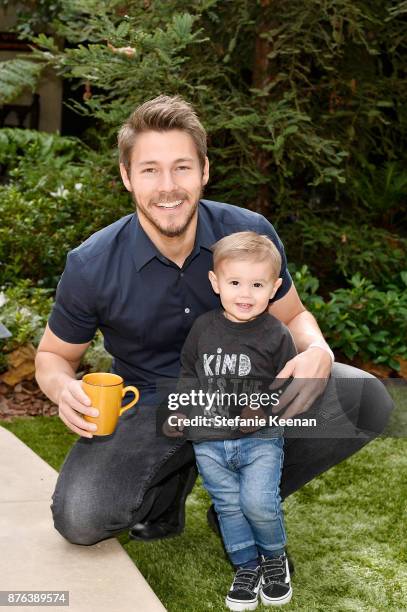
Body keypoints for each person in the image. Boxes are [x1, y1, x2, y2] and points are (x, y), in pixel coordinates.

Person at [35, 95, 393, 552]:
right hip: (151, 406)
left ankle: (244, 504)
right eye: (150, 170)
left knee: (364, 400)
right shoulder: (91, 264)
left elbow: (296, 315)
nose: (168, 187)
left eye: (182, 167)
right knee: (80, 520)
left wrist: (318, 351)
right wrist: (62, 388)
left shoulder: (249, 233)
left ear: (204, 170)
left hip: (250, 392)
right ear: (127, 177)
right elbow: (53, 356)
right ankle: (167, 486)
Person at [166, 231, 297, 609]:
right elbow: (189, 372)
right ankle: (245, 565)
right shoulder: (203, 328)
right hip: (208, 439)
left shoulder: (276, 333)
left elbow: (287, 382)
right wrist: (180, 407)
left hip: (259, 440)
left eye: (257, 284)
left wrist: (264, 406)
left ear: (273, 288)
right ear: (215, 282)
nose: (245, 293)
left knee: (257, 502)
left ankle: (273, 560)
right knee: (228, 505)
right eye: (235, 282)